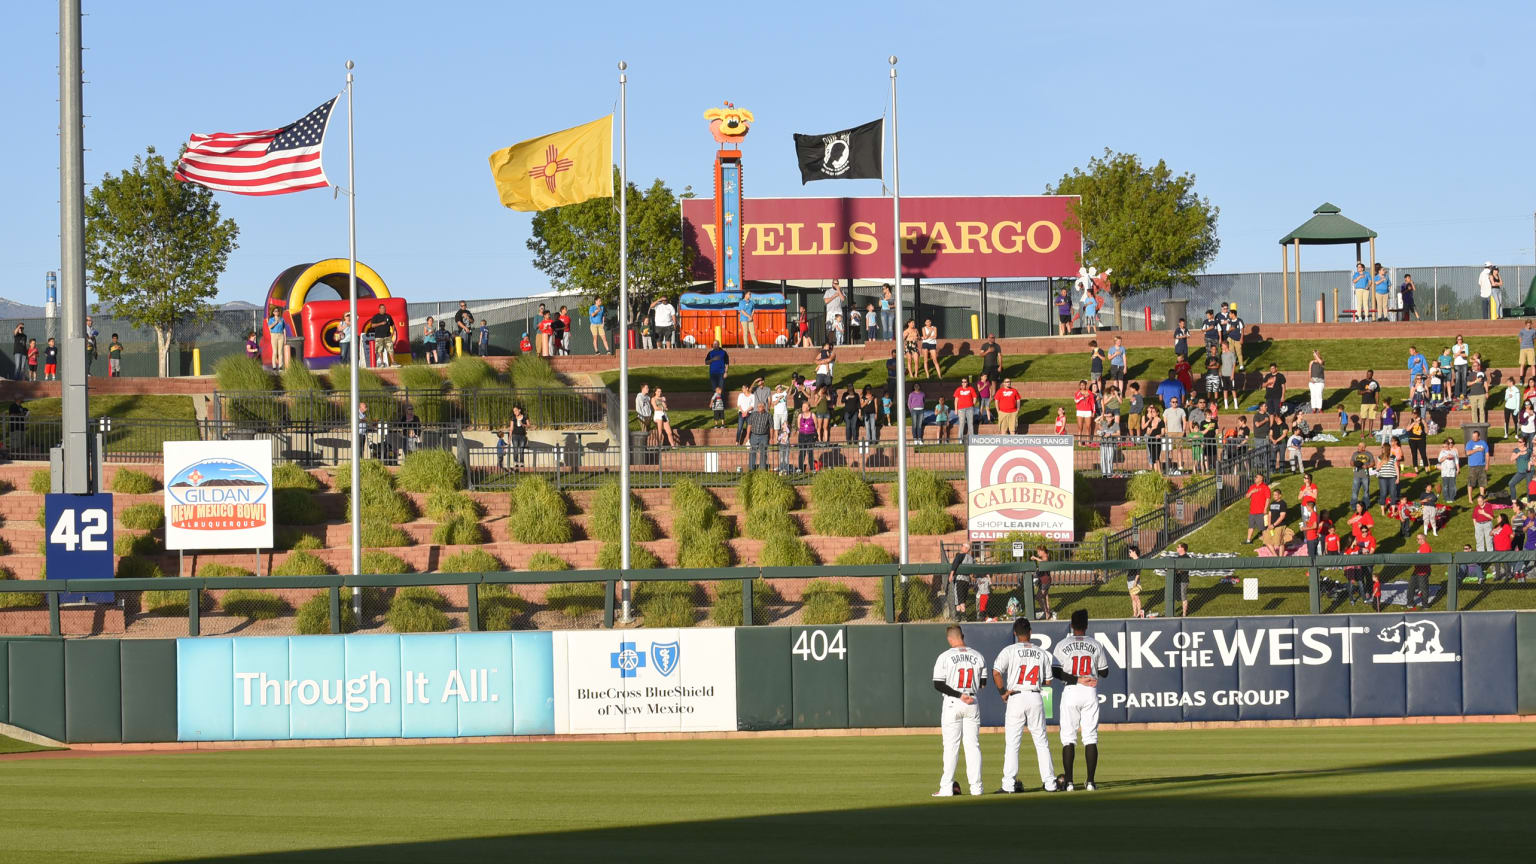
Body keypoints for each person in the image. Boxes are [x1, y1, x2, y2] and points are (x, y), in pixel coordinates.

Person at [991, 618, 1061, 794]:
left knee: (1012, 744)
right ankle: (1050, 783)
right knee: (1041, 742)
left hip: (1016, 696)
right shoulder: (1041, 653)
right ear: (1030, 632)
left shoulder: (1009, 650)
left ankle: (1008, 785)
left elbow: (996, 672)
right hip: (1035, 696)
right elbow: (1048, 681)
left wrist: (1002, 692)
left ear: (1015, 633)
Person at [1051, 610, 1107, 792]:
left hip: (1071, 690)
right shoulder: (1095, 644)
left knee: (1068, 738)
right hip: (1089, 690)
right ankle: (1090, 782)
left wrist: (1076, 678)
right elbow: (1105, 671)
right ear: (1087, 625)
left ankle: (1068, 783)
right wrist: (1091, 674)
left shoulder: (1062, 644)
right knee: (1090, 737)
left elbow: (1055, 672)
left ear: (1072, 625)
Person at [929, 625, 987, 798]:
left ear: (949, 639)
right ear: (962, 636)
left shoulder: (945, 656)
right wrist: (968, 693)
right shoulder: (978, 655)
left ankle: (946, 788)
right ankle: (976, 788)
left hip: (954, 702)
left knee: (951, 747)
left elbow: (938, 684)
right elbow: (983, 683)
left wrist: (959, 694)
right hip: (972, 701)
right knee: (973, 746)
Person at [1244, 472, 1271, 545]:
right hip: (1252, 511)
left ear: (1261, 479)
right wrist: (1251, 492)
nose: (1255, 478)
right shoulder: (1252, 487)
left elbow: (1268, 499)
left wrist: (1265, 508)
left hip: (1261, 511)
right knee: (1251, 526)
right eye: (1255, 477)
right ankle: (1248, 540)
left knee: (1263, 528)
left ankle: (1265, 542)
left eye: (1256, 477)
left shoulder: (1265, 487)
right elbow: (1246, 496)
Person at [1348, 440, 1376, 509]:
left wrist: (1367, 466)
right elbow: (1351, 463)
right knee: (1355, 491)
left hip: (1365, 476)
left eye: (1360, 446)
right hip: (1357, 475)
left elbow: (1373, 463)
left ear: (1364, 447)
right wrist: (1355, 464)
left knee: (1366, 491)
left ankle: (1366, 505)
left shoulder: (1369, 454)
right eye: (1358, 446)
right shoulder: (1355, 454)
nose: (1358, 447)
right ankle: (1354, 506)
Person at [746, 402, 772, 471]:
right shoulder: (753, 414)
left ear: (764, 407)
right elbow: (749, 425)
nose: (759, 407)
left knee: (763, 453)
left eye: (760, 406)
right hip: (754, 435)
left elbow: (771, 427)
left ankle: (762, 469)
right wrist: (747, 436)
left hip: (764, 436)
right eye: (758, 406)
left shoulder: (768, 415)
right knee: (752, 452)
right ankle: (751, 469)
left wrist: (772, 438)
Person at [1466, 429, 1489, 501]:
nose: (1474, 438)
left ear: (1479, 437)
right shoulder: (1469, 443)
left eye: (1475, 436)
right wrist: (1477, 449)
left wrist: (1487, 464)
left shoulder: (1483, 443)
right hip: (1472, 466)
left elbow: (1487, 454)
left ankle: (1481, 497)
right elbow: (1468, 453)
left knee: (1482, 482)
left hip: (1482, 465)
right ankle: (1470, 498)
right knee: (1471, 482)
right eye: (1473, 436)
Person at [953, 376, 978, 441]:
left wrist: (973, 405)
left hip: (970, 409)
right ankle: (960, 439)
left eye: (965, 382)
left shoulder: (971, 389)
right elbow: (956, 400)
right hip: (961, 409)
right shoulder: (958, 389)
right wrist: (956, 409)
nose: (963, 383)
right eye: (962, 382)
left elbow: (975, 397)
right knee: (961, 423)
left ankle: (972, 439)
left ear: (967, 383)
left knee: (970, 423)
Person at [267, 305, 289, 371]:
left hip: (281, 335)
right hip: (274, 335)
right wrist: (275, 322)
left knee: (280, 352)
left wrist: (285, 338)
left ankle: (280, 366)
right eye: (275, 311)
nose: (277, 312)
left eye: (277, 311)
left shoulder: (282, 319)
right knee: (275, 351)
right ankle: (274, 366)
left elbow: (284, 329)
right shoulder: (271, 319)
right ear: (273, 313)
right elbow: (269, 327)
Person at [507, 404, 529, 469]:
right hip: (515, 436)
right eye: (514, 411)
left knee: (521, 449)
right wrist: (509, 438)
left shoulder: (525, 417)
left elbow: (529, 425)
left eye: (516, 411)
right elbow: (511, 429)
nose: (515, 412)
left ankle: (521, 463)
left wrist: (523, 424)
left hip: (522, 436)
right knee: (515, 449)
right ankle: (516, 462)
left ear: (519, 410)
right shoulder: (513, 418)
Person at [1307, 350, 1326, 414]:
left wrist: (1316, 355)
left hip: (1320, 382)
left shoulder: (1322, 361)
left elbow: (1320, 362)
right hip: (1312, 382)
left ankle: (1319, 408)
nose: (1315, 355)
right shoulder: (1311, 362)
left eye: (1317, 354)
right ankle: (1314, 408)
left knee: (1319, 395)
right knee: (1313, 395)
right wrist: (1310, 379)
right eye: (1315, 354)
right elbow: (1309, 371)